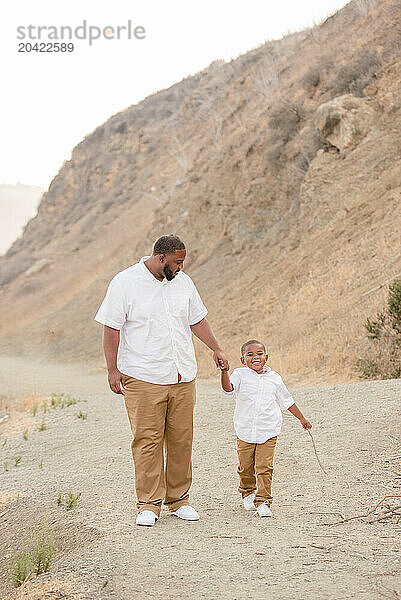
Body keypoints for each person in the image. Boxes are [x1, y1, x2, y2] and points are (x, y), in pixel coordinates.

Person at [95, 235, 228, 527]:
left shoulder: (183, 282)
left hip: (182, 375)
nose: (181, 267)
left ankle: (179, 500)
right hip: (142, 376)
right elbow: (111, 328)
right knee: (147, 442)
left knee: (181, 440)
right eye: (177, 262)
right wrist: (112, 369)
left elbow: (197, 320)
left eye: (183, 262)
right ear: (160, 258)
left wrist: (216, 348)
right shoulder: (125, 282)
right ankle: (149, 504)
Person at [220, 339, 311, 517]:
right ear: (242, 359)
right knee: (245, 466)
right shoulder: (239, 375)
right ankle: (247, 492)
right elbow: (228, 389)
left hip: (268, 430)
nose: (255, 357)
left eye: (259, 354)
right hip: (245, 430)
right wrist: (224, 372)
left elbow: (287, 401)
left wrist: (301, 418)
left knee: (264, 467)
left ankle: (263, 500)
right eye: (250, 354)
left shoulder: (274, 378)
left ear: (266, 357)